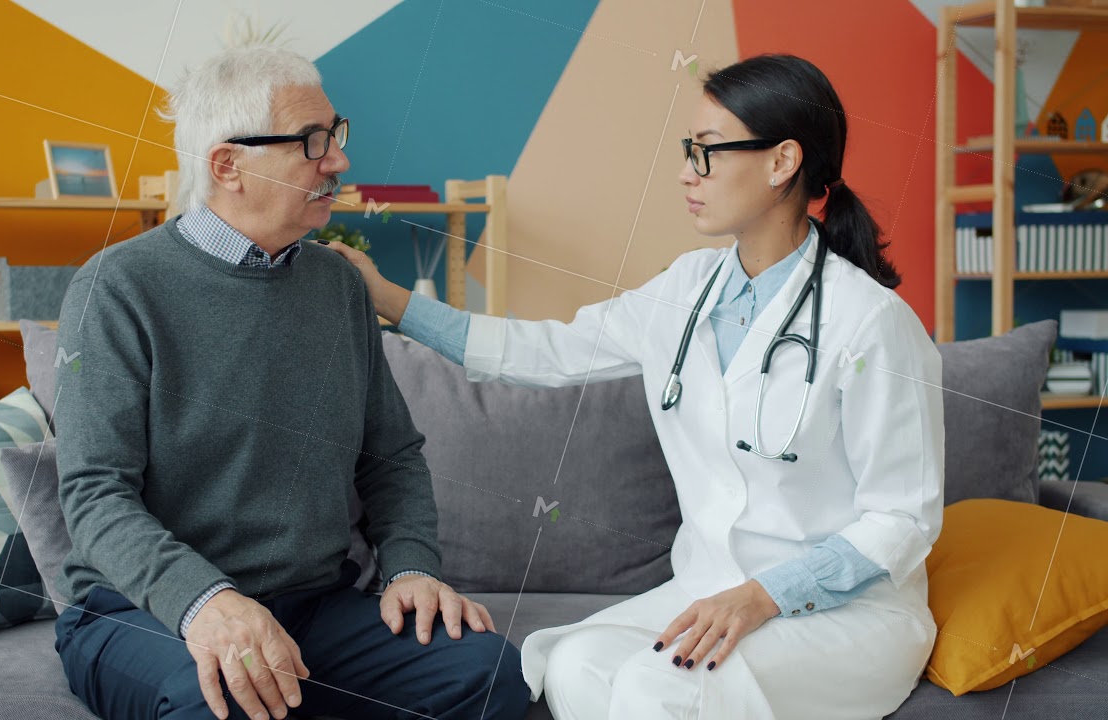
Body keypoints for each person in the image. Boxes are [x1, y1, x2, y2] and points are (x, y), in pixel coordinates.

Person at [325, 54, 944, 719]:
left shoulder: (871, 323)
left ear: (781, 161)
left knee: (660, 685)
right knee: (574, 664)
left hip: (844, 619)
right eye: (688, 151)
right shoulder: (687, 288)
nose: (685, 172)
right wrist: (389, 297)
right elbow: (547, 352)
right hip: (709, 593)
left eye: (705, 153)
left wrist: (766, 595)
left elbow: (903, 518)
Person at [50, 45, 529, 720]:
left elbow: (391, 456)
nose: (338, 160)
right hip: (141, 610)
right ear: (228, 165)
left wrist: (411, 567)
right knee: (227, 702)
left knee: (486, 672)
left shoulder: (338, 284)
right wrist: (208, 604)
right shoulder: (115, 288)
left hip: (314, 604)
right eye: (312, 142)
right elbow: (95, 495)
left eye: (336, 136)